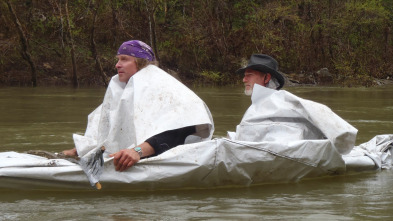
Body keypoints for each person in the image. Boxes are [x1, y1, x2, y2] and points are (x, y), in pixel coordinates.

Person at [63, 40, 214, 171]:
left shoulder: (166, 89)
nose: (117, 65)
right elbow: (109, 131)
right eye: (118, 59)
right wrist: (79, 151)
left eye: (124, 59)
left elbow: (180, 129)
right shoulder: (122, 92)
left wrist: (137, 151)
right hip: (125, 156)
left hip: (161, 156)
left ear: (140, 63)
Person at [228, 54, 357, 155]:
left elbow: (337, 127)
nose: (244, 80)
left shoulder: (285, 100)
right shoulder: (256, 105)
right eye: (244, 76)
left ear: (266, 78)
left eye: (249, 75)